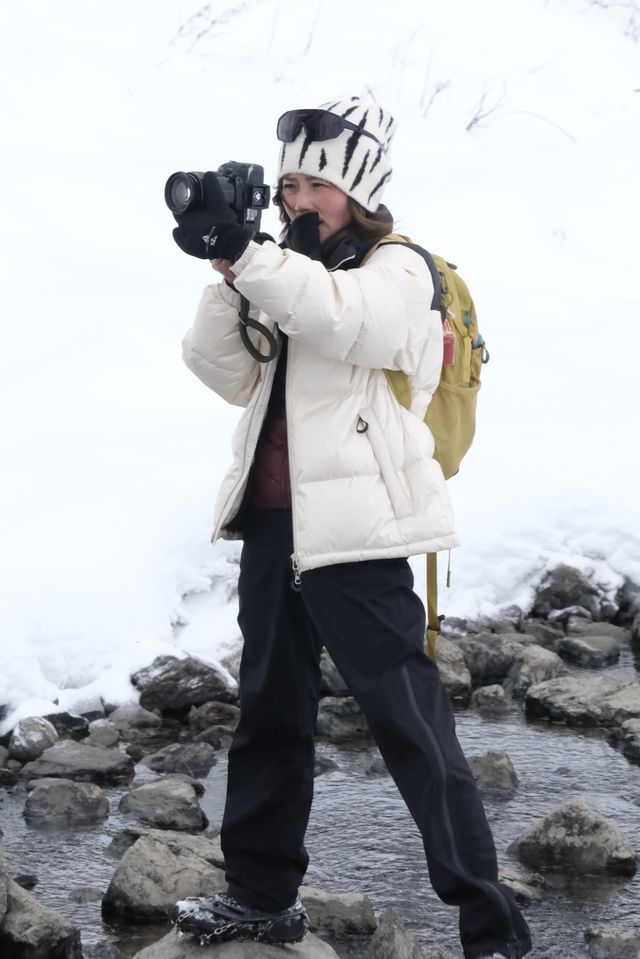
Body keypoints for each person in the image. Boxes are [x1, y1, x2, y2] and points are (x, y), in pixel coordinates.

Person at [170, 96, 532, 959]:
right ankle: (262, 899)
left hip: (358, 531)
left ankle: (493, 927)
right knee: (269, 713)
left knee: (410, 724)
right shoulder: (280, 265)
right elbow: (217, 367)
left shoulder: (400, 268)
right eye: (289, 185)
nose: (300, 199)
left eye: (316, 186)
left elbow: (348, 319)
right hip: (271, 520)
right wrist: (231, 266)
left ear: (356, 190)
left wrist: (255, 257)